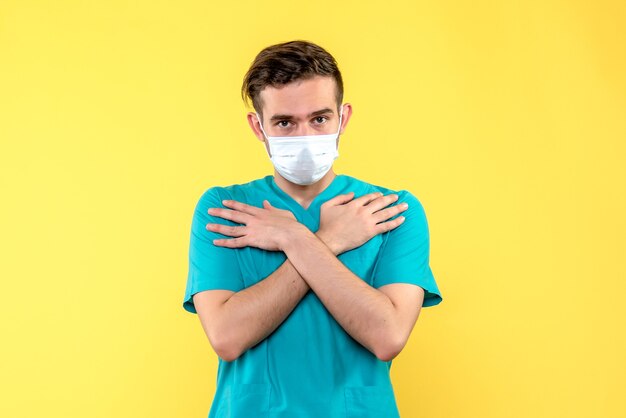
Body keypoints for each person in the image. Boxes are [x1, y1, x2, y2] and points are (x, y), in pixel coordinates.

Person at [182, 40, 443, 418]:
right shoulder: (225, 209)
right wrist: (324, 239)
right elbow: (226, 336)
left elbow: (388, 336)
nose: (305, 136)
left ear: (344, 117)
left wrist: (293, 238)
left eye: (320, 119)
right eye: (285, 122)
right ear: (258, 126)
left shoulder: (390, 211)